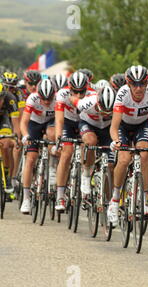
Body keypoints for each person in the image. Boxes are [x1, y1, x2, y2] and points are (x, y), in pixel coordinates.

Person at [107, 65, 148, 226]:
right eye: (134, 84)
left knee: (146, 153)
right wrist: (116, 141)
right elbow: (114, 126)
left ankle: (147, 197)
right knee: (124, 159)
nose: (139, 88)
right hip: (123, 127)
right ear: (128, 84)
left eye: (142, 84)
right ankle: (114, 200)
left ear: (147, 83)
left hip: (142, 126)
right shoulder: (122, 94)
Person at [54, 71, 94, 210]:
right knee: (66, 153)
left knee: (88, 145)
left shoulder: (92, 94)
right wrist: (58, 138)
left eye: (81, 92)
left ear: (87, 88)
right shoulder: (62, 94)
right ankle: (60, 196)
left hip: (85, 122)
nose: (78, 95)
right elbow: (59, 120)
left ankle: (85, 175)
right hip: (68, 123)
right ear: (69, 89)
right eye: (75, 92)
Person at [20, 79, 57, 213]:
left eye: (50, 98)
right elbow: (24, 122)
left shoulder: (58, 99)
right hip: (34, 124)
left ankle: (52, 168)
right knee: (30, 158)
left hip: (50, 123)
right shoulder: (32, 99)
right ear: (38, 94)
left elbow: (61, 121)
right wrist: (25, 136)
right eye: (44, 99)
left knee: (52, 135)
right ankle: (26, 198)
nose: (47, 102)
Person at [76, 86, 116, 195]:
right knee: (90, 141)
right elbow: (74, 100)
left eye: (109, 113)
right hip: (88, 124)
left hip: (107, 128)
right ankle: (86, 175)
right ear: (98, 103)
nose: (106, 114)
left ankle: (108, 200)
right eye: (103, 111)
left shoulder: (118, 105)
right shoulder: (87, 103)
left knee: (111, 166)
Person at [0, 83, 20, 196]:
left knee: (6, 143)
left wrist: (17, 139)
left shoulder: (10, 99)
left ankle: (7, 177)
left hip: (4, 119)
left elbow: (15, 123)